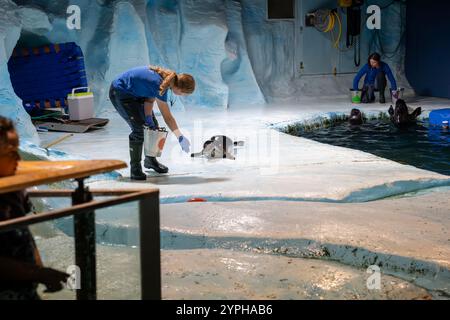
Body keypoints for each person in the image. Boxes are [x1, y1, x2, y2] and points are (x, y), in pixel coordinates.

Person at [0, 116, 69, 300]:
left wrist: (38, 271)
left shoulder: (15, 189)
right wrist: (37, 273)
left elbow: (25, 235)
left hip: (24, 287)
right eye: (9, 152)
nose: (17, 158)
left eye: (16, 150)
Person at [109, 65, 195, 180]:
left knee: (154, 128)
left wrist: (149, 118)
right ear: (180, 89)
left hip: (136, 94)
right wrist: (180, 136)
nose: (183, 96)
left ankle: (150, 160)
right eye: (184, 94)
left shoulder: (166, 79)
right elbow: (168, 117)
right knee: (139, 130)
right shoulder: (161, 85)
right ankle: (135, 168)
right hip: (121, 92)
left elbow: (149, 100)